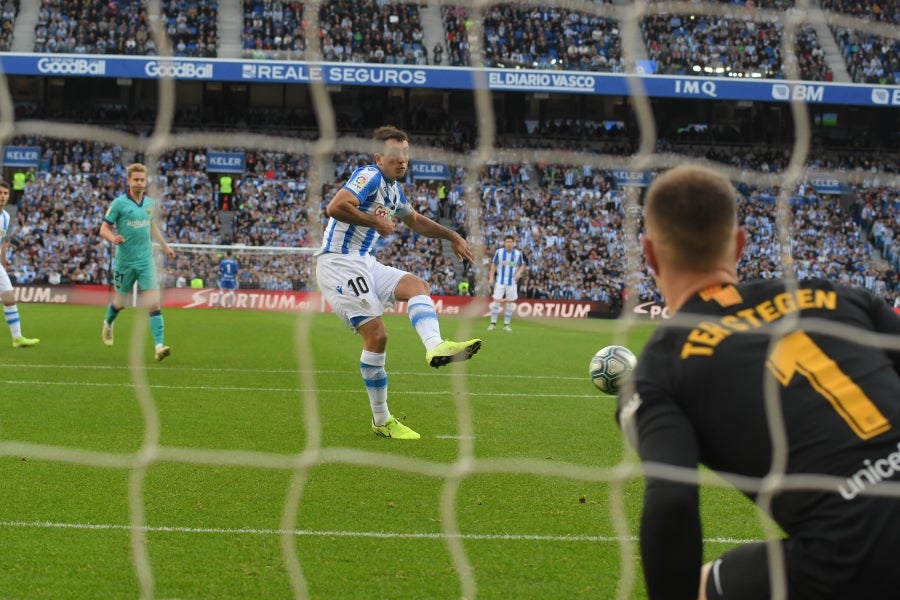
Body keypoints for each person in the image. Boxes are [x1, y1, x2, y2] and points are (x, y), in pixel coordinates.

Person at [621, 164, 900, 599]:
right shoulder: (841, 296)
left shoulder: (660, 368)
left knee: (701, 587)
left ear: (649, 253)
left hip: (857, 555)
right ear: (739, 244)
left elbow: (672, 502)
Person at [315, 125, 482, 440]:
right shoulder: (369, 176)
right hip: (339, 262)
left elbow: (415, 221)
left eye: (405, 153)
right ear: (379, 158)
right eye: (394, 154)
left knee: (417, 286)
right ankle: (381, 420)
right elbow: (335, 206)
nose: (402, 159)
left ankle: (435, 346)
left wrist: (451, 234)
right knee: (377, 336)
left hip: (364, 262)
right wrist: (374, 221)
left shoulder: (394, 191)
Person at [99, 163, 175, 362]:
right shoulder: (119, 204)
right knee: (120, 303)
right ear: (128, 181)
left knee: (154, 303)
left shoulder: (150, 203)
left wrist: (165, 246)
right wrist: (113, 238)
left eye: (142, 180)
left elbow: (151, 226)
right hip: (125, 262)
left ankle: (159, 347)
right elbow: (103, 229)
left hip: (145, 261)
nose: (140, 183)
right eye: (136, 180)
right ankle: (108, 323)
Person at [0, 180, 39, 348]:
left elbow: (3, 242)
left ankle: (17, 338)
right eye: (0, 193)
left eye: (5, 193)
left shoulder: (6, 216)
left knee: (9, 298)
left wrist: (3, 264)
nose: (2, 196)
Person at [488, 234, 525, 331]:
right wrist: (491, 277)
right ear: (504, 243)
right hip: (500, 280)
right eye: (507, 242)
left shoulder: (518, 254)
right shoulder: (499, 252)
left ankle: (506, 325)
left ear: (513, 243)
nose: (509, 244)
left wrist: (518, 273)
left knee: (509, 304)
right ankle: (493, 324)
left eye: (511, 242)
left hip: (511, 282)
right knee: (496, 302)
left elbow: (522, 265)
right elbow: (494, 264)